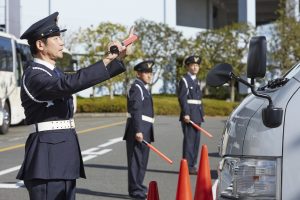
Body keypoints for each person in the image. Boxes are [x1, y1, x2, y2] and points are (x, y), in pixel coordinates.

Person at [16, 12, 133, 200]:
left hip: (63, 154)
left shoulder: (55, 72)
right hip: (47, 160)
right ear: (40, 45)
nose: (62, 42)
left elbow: (81, 77)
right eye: (56, 38)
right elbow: (71, 83)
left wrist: (117, 59)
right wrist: (108, 58)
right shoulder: (34, 75)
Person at [123, 60, 155, 199]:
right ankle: (135, 190)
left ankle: (139, 186)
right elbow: (136, 110)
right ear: (138, 73)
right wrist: (138, 130)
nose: (149, 75)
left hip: (145, 128)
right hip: (139, 129)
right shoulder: (137, 87)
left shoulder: (142, 87)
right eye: (146, 72)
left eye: (150, 73)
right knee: (136, 161)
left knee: (142, 161)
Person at [177, 55, 204, 175]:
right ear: (188, 66)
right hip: (189, 116)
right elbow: (182, 98)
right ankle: (187, 166)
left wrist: (201, 113)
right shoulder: (184, 80)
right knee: (189, 141)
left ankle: (193, 165)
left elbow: (199, 100)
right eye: (193, 65)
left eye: (197, 65)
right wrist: (186, 113)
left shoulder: (197, 80)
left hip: (197, 114)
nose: (195, 67)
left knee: (196, 141)